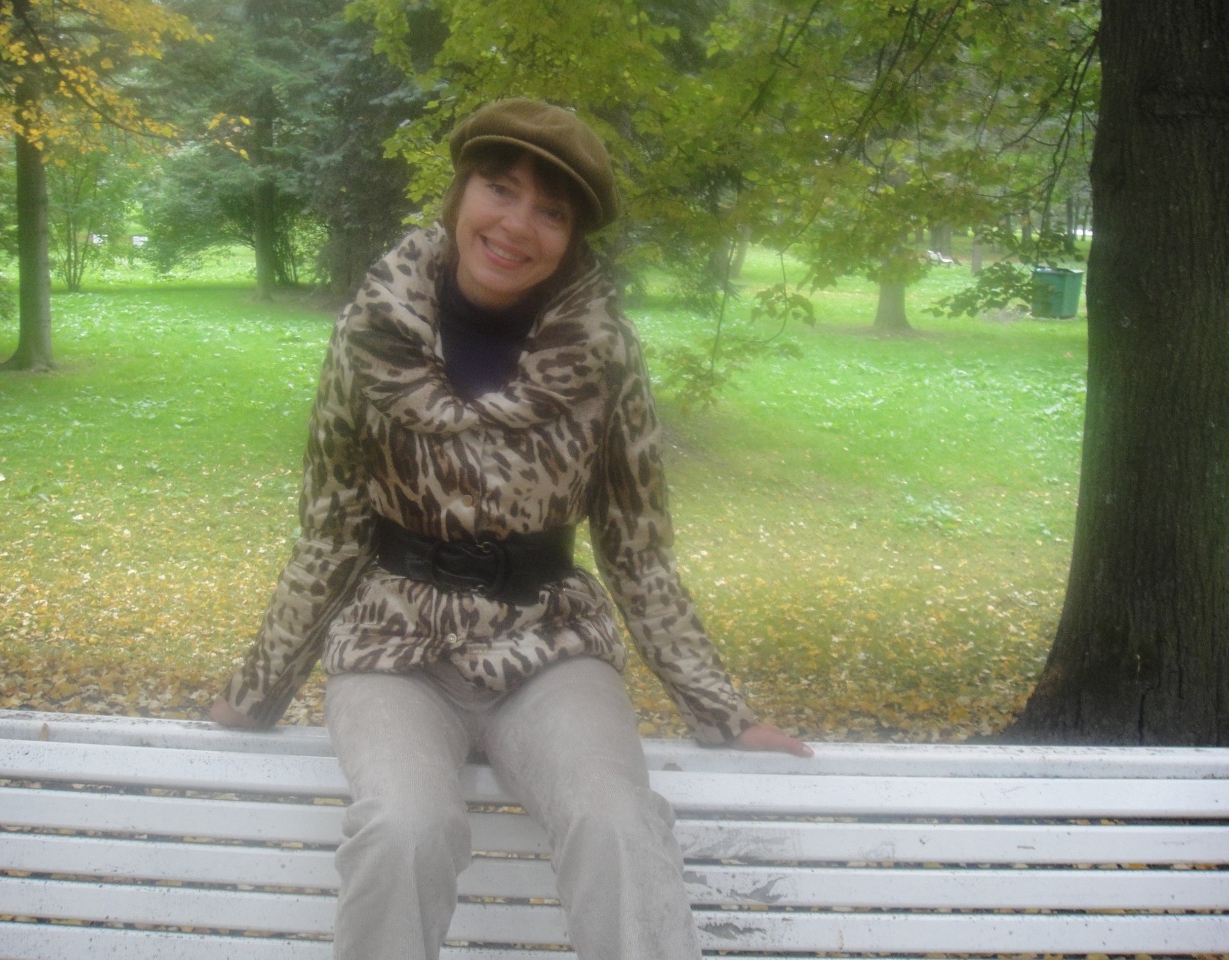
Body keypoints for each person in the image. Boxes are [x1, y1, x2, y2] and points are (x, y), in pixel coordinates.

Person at [209, 97, 811, 960]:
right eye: (500, 188)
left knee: (617, 821)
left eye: (552, 212)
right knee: (404, 827)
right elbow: (332, 530)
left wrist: (722, 711)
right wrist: (257, 691)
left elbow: (637, 549)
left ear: (572, 238)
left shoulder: (605, 354)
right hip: (394, 648)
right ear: (459, 195)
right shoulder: (370, 335)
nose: (518, 225)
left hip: (549, 646)